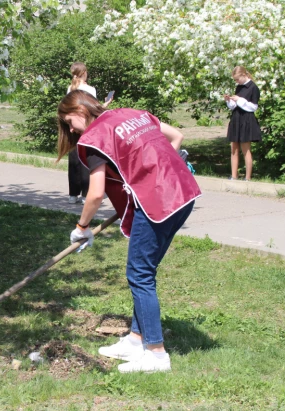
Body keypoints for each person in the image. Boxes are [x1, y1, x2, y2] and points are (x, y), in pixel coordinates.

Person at [57, 90, 202, 373]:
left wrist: (81, 227)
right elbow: (177, 137)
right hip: (183, 192)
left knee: (139, 274)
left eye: (68, 121)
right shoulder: (130, 114)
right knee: (145, 271)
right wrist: (158, 171)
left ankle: (156, 355)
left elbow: (96, 194)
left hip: (158, 201)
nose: (71, 129)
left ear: (80, 110)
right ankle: (136, 341)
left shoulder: (95, 139)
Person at [66, 62, 112, 204]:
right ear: (84, 72)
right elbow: (94, 110)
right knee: (86, 159)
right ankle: (86, 194)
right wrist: (106, 104)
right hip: (86, 126)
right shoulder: (90, 89)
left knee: (74, 160)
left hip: (73, 126)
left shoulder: (70, 88)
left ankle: (73, 195)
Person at [224, 66, 261, 181]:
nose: (236, 82)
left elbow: (253, 107)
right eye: (235, 80)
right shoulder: (238, 87)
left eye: (237, 79)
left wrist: (239, 100)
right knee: (234, 148)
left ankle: (247, 177)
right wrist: (229, 100)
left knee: (246, 149)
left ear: (244, 75)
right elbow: (235, 106)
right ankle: (234, 176)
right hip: (236, 118)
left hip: (246, 120)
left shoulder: (253, 87)